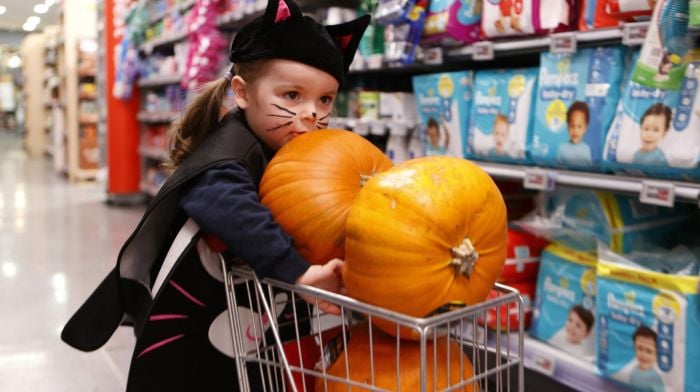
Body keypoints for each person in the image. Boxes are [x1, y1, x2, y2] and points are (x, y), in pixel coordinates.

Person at [60, 0, 370, 390]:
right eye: (292, 95)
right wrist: (299, 271)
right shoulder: (230, 150)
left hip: (242, 318)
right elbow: (224, 202)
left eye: (324, 99)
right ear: (241, 92)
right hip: (194, 321)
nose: (311, 113)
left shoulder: (286, 147)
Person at [556, 101, 593, 167]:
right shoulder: (562, 148)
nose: (575, 131)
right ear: (568, 127)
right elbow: (557, 168)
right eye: (572, 126)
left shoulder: (586, 149)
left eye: (579, 126)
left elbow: (590, 170)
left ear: (585, 128)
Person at [629, 325, 665, 392]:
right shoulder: (633, 372)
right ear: (634, 348)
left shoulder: (655, 377)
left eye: (649, 351)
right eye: (639, 348)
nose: (643, 355)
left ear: (656, 355)